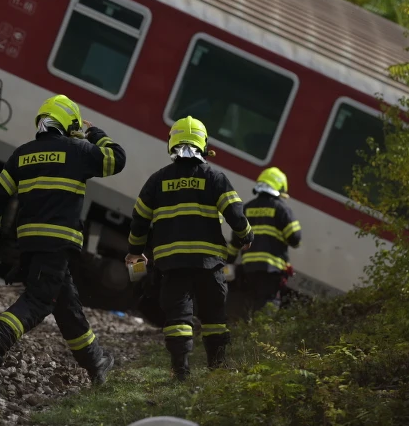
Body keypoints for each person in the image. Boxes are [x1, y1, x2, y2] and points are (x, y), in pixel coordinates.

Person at [0, 94, 126, 384]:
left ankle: (95, 361)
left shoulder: (22, 154)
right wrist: (95, 133)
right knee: (40, 299)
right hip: (58, 242)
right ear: (69, 124)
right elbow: (116, 159)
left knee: (65, 303)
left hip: (29, 243)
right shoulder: (79, 150)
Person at [125, 116, 253, 380]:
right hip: (209, 263)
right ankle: (217, 368)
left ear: (172, 143)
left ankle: (180, 370)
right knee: (214, 316)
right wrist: (245, 235)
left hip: (172, 264)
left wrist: (136, 251)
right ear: (203, 144)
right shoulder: (215, 177)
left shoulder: (157, 180)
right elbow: (235, 213)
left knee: (178, 317)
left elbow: (139, 219)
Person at [236, 167, 302, 315]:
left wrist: (229, 261)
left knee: (249, 304)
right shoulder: (281, 209)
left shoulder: (247, 208)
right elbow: (295, 239)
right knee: (268, 306)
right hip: (271, 270)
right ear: (279, 188)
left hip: (249, 269)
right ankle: (261, 336)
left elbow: (235, 240)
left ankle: (245, 334)